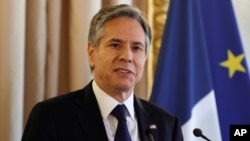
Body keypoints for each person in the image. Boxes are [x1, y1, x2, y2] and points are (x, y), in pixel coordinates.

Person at [22, 4, 183, 141]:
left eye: (136, 48)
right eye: (115, 45)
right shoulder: (51, 117)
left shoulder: (167, 125)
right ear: (92, 53)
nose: (127, 56)